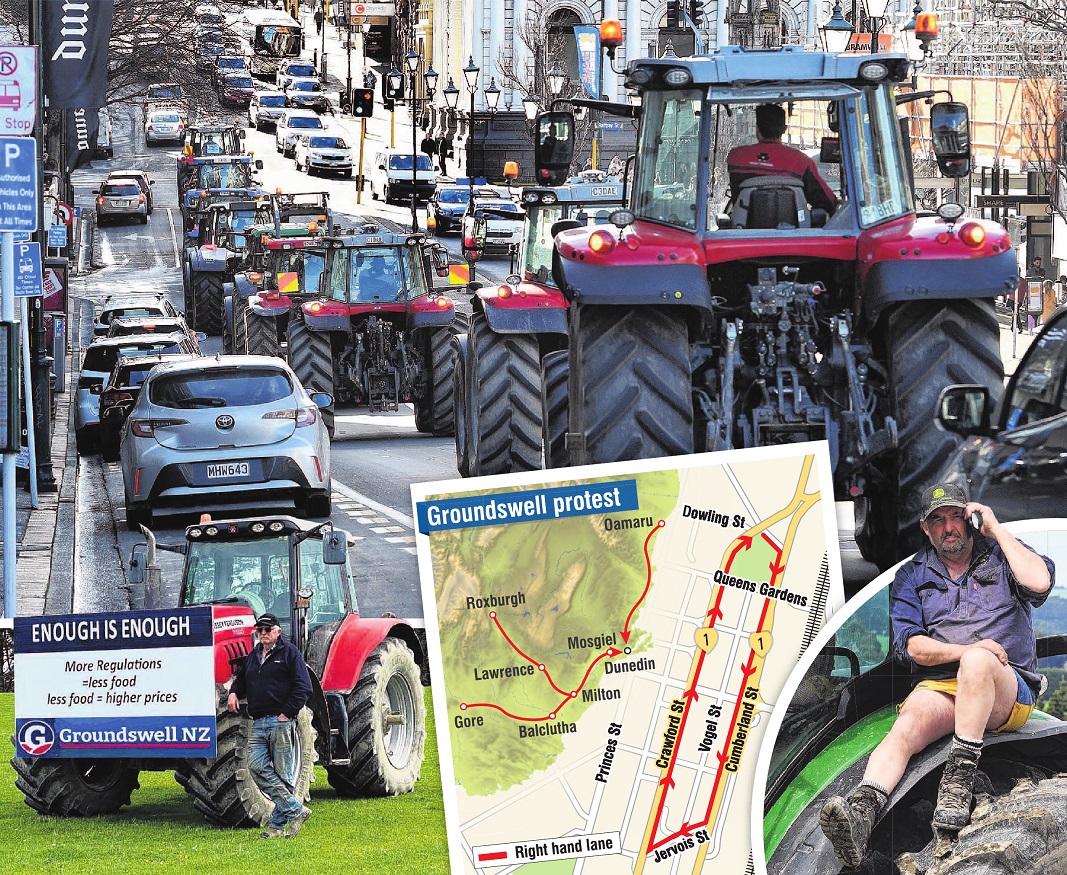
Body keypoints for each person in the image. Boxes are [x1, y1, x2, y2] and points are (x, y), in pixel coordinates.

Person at [819, 483, 1054, 868]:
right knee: (907, 724)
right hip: (945, 684)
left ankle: (957, 782)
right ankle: (863, 811)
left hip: (1004, 685)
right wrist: (968, 650)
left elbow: (1039, 582)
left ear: (970, 520)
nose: (949, 528)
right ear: (926, 529)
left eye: (956, 517)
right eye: (938, 520)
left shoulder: (1002, 555)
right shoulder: (911, 576)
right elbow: (912, 648)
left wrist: (995, 527)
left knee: (978, 665)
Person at [226, 612, 313, 839]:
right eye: (260, 630)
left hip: (280, 721)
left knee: (283, 774)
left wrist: (287, 713)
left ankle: (276, 828)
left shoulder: (289, 653)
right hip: (259, 722)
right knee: (255, 766)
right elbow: (242, 679)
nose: (263, 634)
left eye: (267, 630)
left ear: (277, 631)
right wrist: (234, 692)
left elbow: (304, 686)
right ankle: (296, 810)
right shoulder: (254, 655)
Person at [726, 103, 837, 213]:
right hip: (793, 230)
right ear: (784, 129)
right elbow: (828, 202)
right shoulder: (801, 161)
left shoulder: (736, 157)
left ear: (757, 128)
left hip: (743, 229)